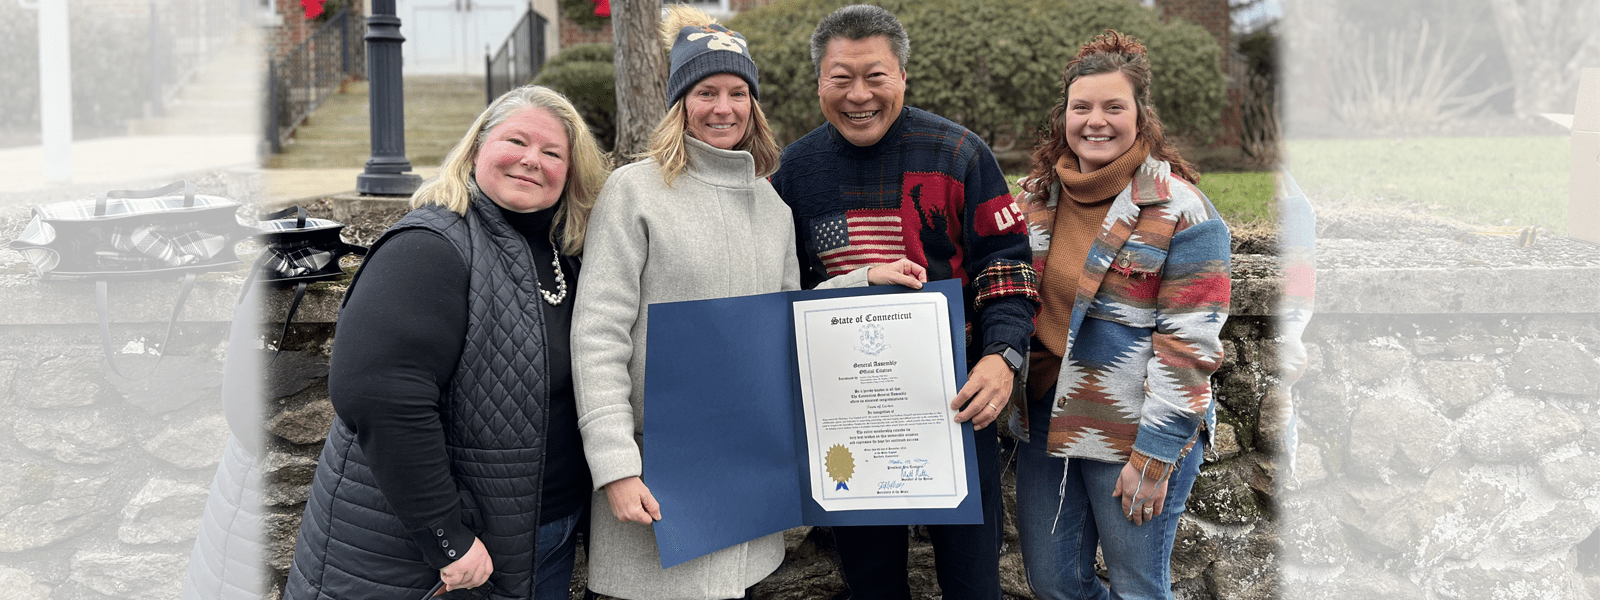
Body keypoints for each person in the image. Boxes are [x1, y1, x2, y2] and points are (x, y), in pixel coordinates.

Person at [282, 84, 610, 600]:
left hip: (540, 537)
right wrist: (447, 537)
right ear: (478, 146)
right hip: (426, 558)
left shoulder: (562, 255)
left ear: (571, 173)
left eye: (553, 153)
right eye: (517, 141)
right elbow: (380, 399)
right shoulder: (430, 246)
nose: (532, 160)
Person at [769, 5, 1039, 600]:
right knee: (870, 585)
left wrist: (1002, 356)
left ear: (903, 78)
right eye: (840, 78)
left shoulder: (960, 155)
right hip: (849, 421)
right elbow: (777, 288)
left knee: (974, 582)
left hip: (960, 408)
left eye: (876, 76)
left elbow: (1008, 265)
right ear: (819, 82)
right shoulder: (792, 174)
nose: (858, 95)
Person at [570, 6, 793, 599]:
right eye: (706, 91)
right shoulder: (634, 192)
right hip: (656, 477)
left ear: (754, 104)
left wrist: (859, 284)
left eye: (738, 92)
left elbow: (788, 324)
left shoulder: (775, 210)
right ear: (679, 104)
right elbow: (598, 336)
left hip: (742, 475)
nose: (724, 108)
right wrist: (616, 466)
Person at [1011, 31, 1231, 600]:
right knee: (1055, 587)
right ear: (1064, 116)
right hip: (1046, 421)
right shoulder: (1034, 200)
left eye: (1114, 107)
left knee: (1137, 588)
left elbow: (1189, 346)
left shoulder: (1182, 211)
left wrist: (1154, 456)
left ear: (1142, 116)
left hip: (1135, 429)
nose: (1096, 121)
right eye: (1081, 107)